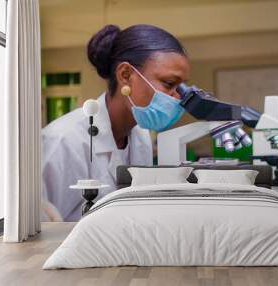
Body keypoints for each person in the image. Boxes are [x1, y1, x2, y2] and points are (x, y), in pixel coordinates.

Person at [42, 24, 190, 221]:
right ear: (125, 75)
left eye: (180, 87)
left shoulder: (140, 135)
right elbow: (39, 230)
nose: (176, 97)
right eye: (169, 84)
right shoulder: (63, 142)